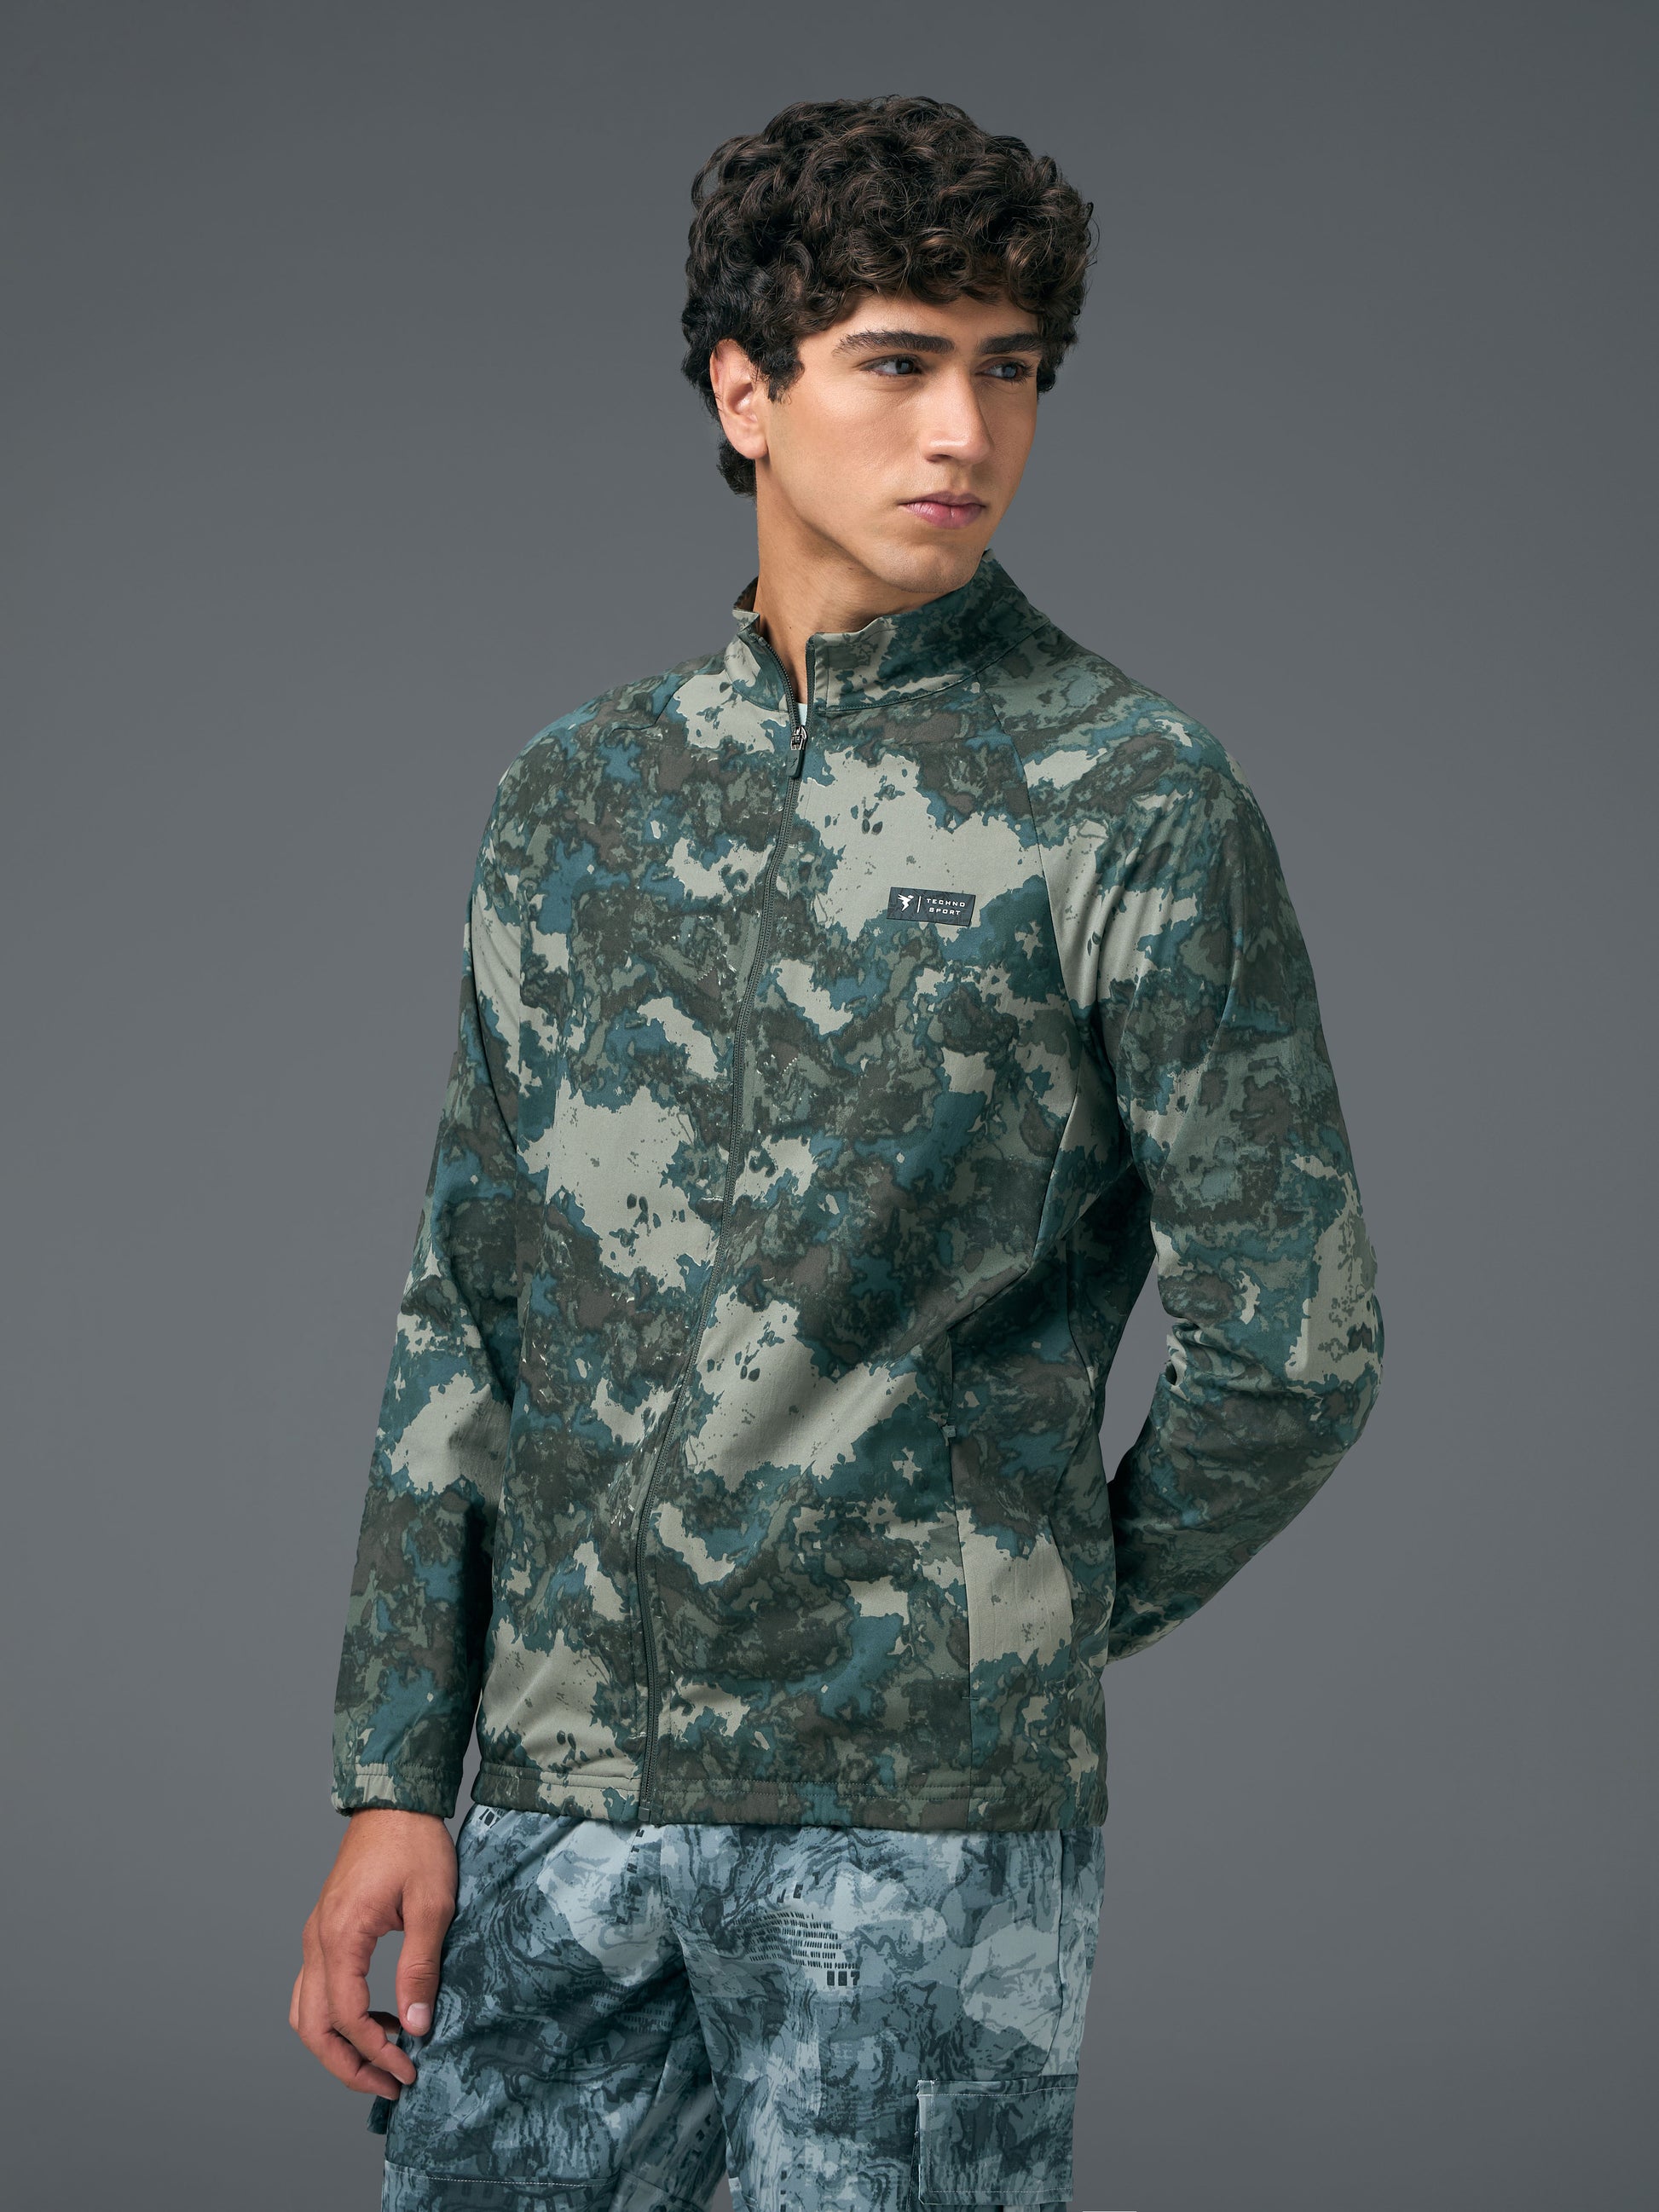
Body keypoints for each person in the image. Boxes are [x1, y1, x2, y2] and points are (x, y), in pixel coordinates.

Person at [292, 93, 1383, 2212]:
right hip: (560, 1805)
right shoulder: (577, 798)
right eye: (898, 361)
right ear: (746, 392)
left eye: (1011, 369)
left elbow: (1297, 1346)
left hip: (912, 1833)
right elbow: (469, 1304)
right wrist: (392, 1774)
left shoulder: (1132, 800)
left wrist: (1006, 1623)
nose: (963, 429)